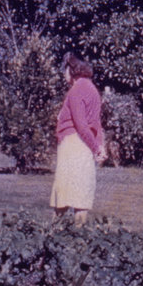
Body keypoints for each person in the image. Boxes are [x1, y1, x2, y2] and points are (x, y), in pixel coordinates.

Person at [50, 52, 107, 224]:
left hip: (73, 145)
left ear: (71, 70)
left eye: (64, 70)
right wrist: (99, 146)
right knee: (81, 197)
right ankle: (78, 240)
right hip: (84, 148)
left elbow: (81, 125)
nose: (63, 74)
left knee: (63, 196)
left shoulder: (76, 90)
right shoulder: (92, 89)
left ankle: (51, 236)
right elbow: (96, 124)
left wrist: (97, 148)